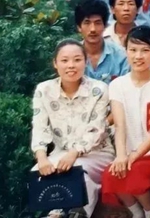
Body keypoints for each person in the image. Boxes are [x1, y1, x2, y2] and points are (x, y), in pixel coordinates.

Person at [31, 39, 114, 217]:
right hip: (61, 152)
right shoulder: (44, 90)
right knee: (37, 172)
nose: (71, 65)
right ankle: (58, 212)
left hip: (97, 153)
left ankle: (76, 212)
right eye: (64, 60)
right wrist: (42, 157)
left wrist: (74, 153)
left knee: (76, 169)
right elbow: (39, 127)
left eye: (77, 60)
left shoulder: (99, 89)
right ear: (55, 63)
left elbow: (96, 130)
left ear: (85, 62)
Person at [102, 27, 150, 218]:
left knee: (134, 172)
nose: (138, 56)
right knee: (112, 174)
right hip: (129, 152)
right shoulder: (117, 85)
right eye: (133, 50)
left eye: (145, 50)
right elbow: (120, 125)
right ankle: (136, 212)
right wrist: (122, 155)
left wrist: (133, 157)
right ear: (126, 51)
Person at [75, 0, 129, 84]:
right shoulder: (71, 55)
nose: (92, 29)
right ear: (79, 27)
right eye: (87, 23)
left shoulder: (121, 55)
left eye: (98, 23)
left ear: (105, 25)